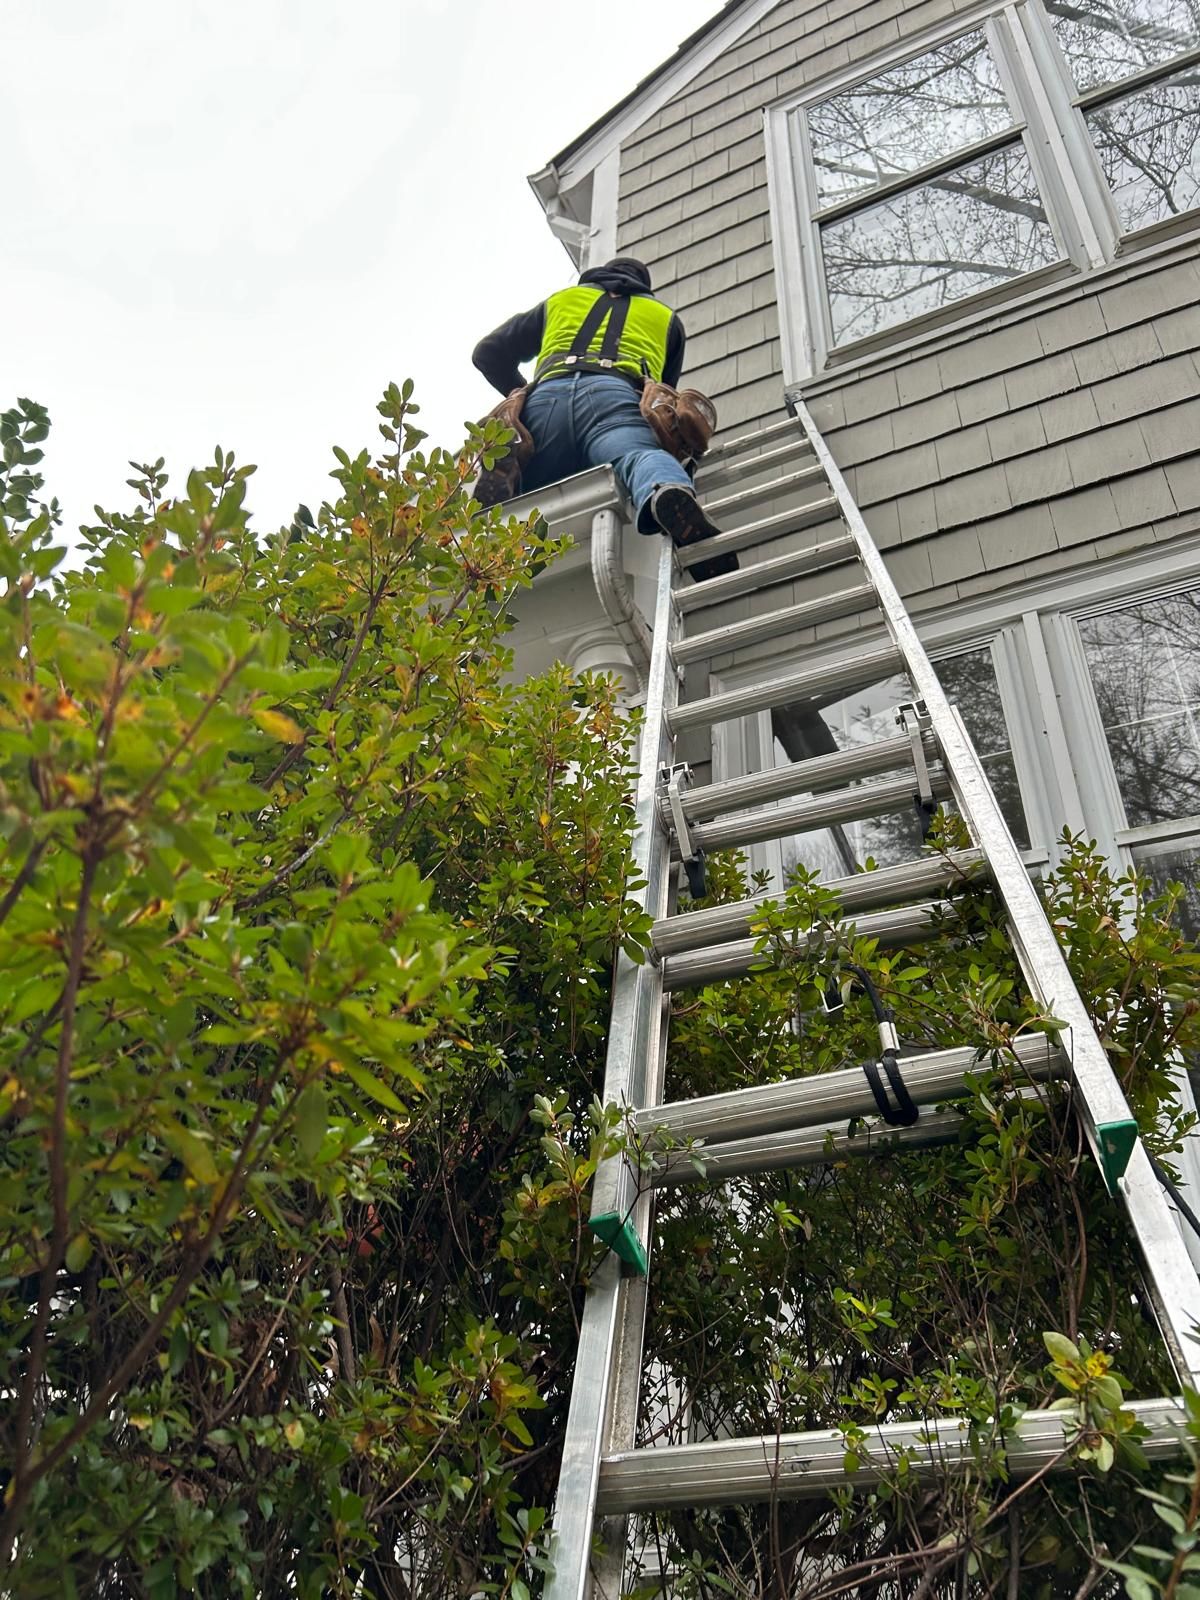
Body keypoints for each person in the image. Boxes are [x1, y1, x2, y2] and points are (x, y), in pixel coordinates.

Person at [472, 257, 736, 582]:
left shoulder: (562, 300)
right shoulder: (666, 318)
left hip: (543, 404)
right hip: (616, 397)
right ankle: (666, 490)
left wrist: (522, 392)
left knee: (532, 490)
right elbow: (663, 405)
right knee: (641, 456)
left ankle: (505, 485)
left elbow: (487, 352)